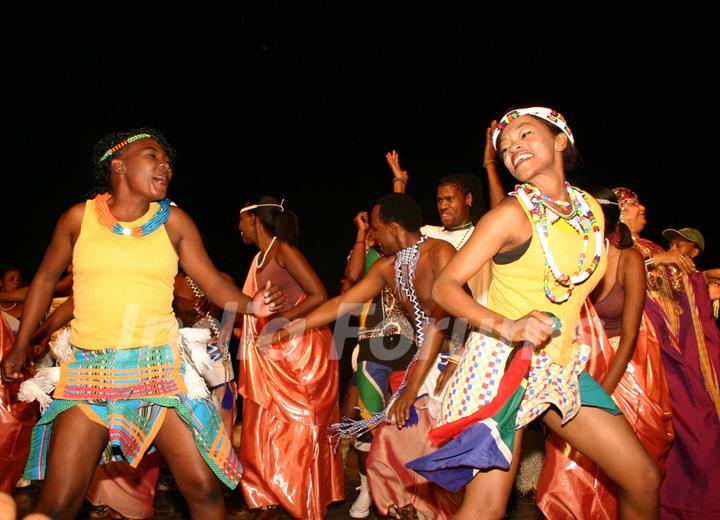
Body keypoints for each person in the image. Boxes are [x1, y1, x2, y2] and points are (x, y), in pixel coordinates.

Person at [1, 128, 283, 520]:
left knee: (202, 487)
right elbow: (46, 281)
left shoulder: (174, 223)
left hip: (160, 373)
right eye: (152, 156)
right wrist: (20, 344)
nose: (165, 165)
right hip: (90, 375)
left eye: (167, 160)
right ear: (119, 166)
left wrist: (252, 304)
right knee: (60, 501)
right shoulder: (78, 219)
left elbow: (213, 282)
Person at [407, 107, 660, 519]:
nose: (513, 149)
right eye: (505, 148)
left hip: (558, 368)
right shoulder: (510, 215)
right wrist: (508, 325)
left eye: (525, 136)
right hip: (500, 368)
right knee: (485, 508)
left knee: (643, 477)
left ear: (561, 141)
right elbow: (444, 287)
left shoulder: (589, 213)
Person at [263, 193, 463, 519]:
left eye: (376, 228)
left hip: (457, 365)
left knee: (444, 452)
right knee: (390, 446)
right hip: (424, 367)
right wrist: (291, 328)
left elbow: (448, 320)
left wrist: (416, 387)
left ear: (394, 228)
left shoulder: (440, 252)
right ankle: (415, 509)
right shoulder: (387, 268)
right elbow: (340, 305)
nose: (374, 235)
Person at [536, 186, 674, 518]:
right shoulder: (572, 264)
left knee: (635, 469)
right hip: (582, 363)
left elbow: (629, 335)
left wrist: (605, 394)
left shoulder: (629, 259)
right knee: (572, 467)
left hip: (628, 370)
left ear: (605, 224)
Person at [613, 188, 720, 518]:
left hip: (676, 351)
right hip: (639, 355)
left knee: (696, 426)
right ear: (618, 211)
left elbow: (682, 290)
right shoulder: (615, 245)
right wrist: (658, 260)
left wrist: (702, 278)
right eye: (633, 204)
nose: (642, 207)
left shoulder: (653, 247)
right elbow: (613, 274)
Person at [236, 196, 344, 519]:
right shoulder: (258, 259)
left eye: (240, 220)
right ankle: (270, 495)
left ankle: (307, 498)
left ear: (253, 220)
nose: (237, 228)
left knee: (301, 427)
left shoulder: (284, 251)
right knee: (264, 423)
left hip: (302, 349)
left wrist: (285, 321)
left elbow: (319, 294)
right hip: (273, 352)